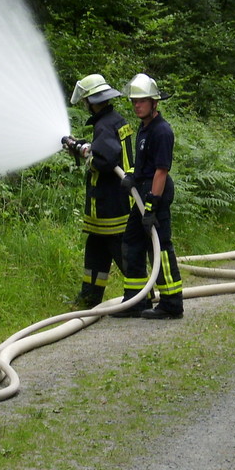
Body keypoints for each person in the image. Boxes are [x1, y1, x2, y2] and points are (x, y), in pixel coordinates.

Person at [113, 73, 183, 319]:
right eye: (134, 101)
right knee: (132, 242)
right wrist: (131, 175)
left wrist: (152, 204)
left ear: (155, 102)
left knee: (160, 247)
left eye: (142, 101)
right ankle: (136, 301)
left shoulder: (162, 131)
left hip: (156, 193)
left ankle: (172, 303)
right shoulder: (144, 129)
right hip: (142, 192)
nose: (137, 105)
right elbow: (143, 165)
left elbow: (161, 170)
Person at [63, 74, 135, 309]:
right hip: (115, 201)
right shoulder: (115, 120)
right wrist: (83, 146)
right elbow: (106, 149)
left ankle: (139, 296)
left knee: (121, 251)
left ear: (90, 101)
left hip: (110, 203)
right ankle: (89, 298)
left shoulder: (104, 125)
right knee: (96, 249)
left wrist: (87, 156)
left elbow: (106, 160)